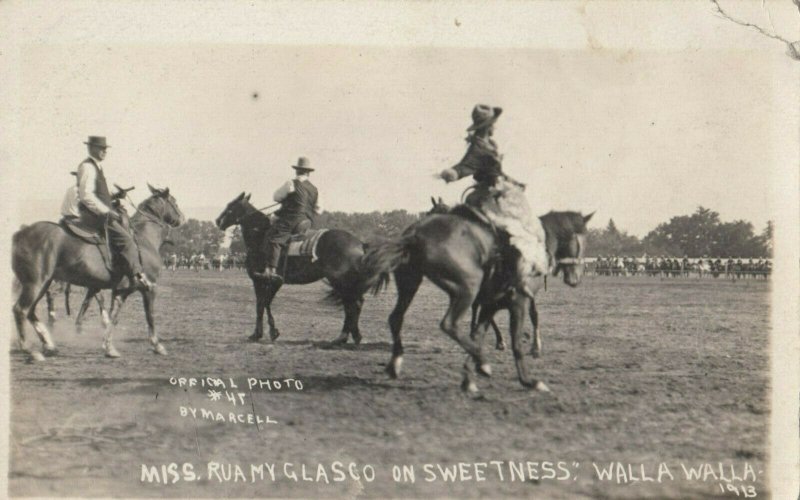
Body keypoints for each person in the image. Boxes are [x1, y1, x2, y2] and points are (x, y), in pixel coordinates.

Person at [439, 104, 549, 296]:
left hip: (499, 192)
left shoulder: (490, 145)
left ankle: (512, 276)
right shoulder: (478, 146)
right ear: (486, 125)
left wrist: (513, 181)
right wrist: (453, 173)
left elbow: (497, 172)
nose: (496, 126)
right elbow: (465, 166)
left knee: (518, 232)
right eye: (493, 123)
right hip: (488, 197)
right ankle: (516, 279)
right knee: (517, 233)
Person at [75, 136, 153, 291]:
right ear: (91, 148)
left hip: (98, 213)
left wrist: (117, 194)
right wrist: (107, 212)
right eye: (101, 148)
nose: (104, 151)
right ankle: (137, 276)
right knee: (127, 239)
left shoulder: (97, 167)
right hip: (94, 215)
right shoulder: (88, 167)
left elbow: (101, 193)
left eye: (105, 148)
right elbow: (86, 195)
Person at [254, 157, 321, 281]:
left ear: (297, 171)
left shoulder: (291, 183)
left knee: (274, 238)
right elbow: (318, 208)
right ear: (308, 172)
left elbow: (276, 197)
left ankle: (271, 270)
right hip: (306, 223)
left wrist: (287, 200)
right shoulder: (314, 189)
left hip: (291, 220)